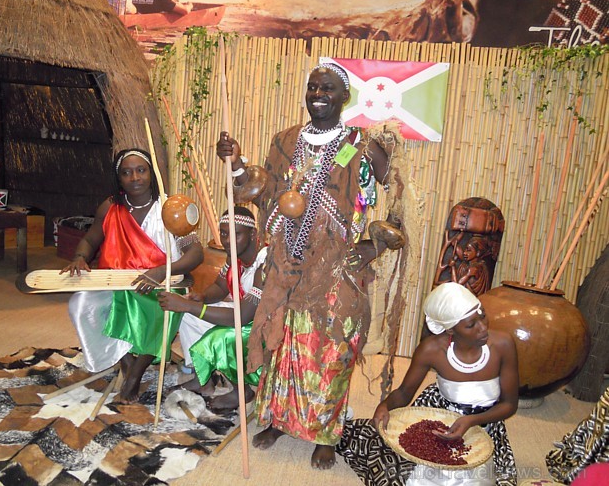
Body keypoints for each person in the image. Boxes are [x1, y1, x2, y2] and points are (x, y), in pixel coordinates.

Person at [216, 62, 395, 469]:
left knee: (332, 347)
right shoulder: (285, 141)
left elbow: (403, 192)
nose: (318, 94)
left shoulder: (361, 145)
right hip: (287, 259)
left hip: (336, 265)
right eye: (312, 87)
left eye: (327, 88)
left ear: (344, 96)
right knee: (283, 342)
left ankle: (326, 432)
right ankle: (279, 419)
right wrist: (237, 163)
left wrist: (375, 243)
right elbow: (262, 192)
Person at [338, 282, 519, 486]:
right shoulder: (431, 350)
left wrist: (472, 421)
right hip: (438, 419)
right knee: (399, 471)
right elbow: (405, 392)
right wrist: (384, 406)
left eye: (483, 315)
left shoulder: (503, 344)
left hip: (486, 424)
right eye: (471, 325)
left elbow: (509, 405)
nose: (483, 327)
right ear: (450, 330)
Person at [62, 148, 203, 403]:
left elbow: (196, 253)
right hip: (117, 283)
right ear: (119, 179)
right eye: (126, 173)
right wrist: (79, 256)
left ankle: (136, 373)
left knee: (161, 310)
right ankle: (126, 360)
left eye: (141, 170)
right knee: (80, 304)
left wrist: (161, 271)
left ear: (151, 173)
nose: (135, 177)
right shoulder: (110, 207)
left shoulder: (171, 208)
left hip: (162, 284)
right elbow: (91, 238)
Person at [158, 206, 265, 410]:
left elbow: (242, 317)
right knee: (188, 317)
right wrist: (202, 297)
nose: (227, 240)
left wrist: (189, 305)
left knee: (221, 336)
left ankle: (241, 390)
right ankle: (203, 378)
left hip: (261, 327)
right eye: (224, 233)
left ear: (253, 234)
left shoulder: (265, 262)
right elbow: (220, 286)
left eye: (236, 234)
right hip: (242, 315)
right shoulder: (234, 255)